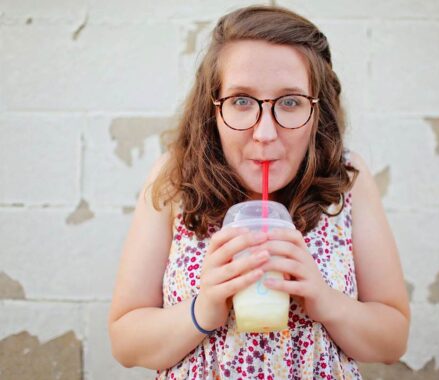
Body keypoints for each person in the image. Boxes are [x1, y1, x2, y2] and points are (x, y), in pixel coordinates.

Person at [108, 5, 410, 379]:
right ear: (212, 108)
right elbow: (125, 343)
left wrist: (325, 301)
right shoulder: (175, 179)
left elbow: (393, 340)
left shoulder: (349, 180)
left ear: (319, 111)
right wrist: (203, 310)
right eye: (241, 101)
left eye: (290, 101)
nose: (265, 133)